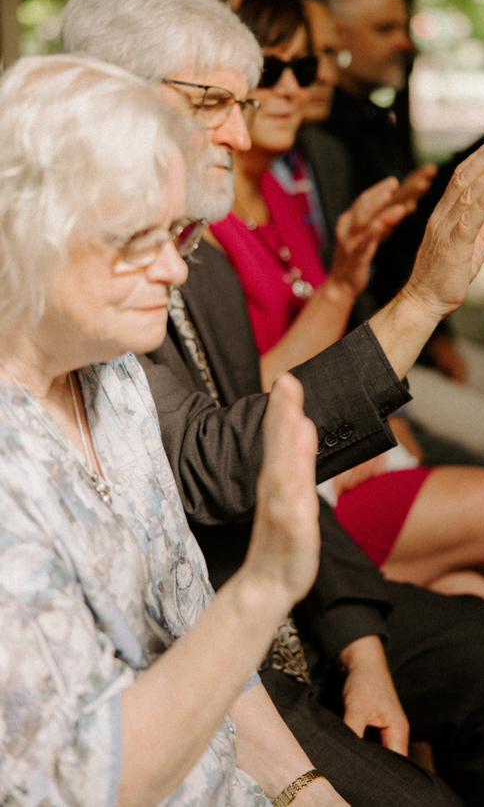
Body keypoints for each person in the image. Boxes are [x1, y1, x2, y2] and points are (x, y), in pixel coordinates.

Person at [60, 0, 484, 807]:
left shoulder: (201, 258)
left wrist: (358, 636)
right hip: (208, 653)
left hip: (283, 608)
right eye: (214, 104)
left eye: (253, 98)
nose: (241, 134)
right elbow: (215, 458)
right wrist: (417, 302)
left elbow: (272, 462)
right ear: (109, 101)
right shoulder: (82, 276)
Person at [207, 0, 484, 760]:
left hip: (330, 448)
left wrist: (352, 283)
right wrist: (359, 289)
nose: (299, 88)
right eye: (274, 70)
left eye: (312, 69)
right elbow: (247, 405)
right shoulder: (208, 220)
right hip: (294, 484)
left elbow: (325, 340)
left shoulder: (283, 184)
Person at [0, 52, 358, 807]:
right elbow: (87, 784)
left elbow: (192, 625)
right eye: (138, 240)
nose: (176, 270)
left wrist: (305, 790)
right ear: (25, 228)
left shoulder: (114, 374)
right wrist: (263, 587)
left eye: (178, 232)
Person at [318, 0, 484, 475]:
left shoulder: (371, 118)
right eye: (386, 29)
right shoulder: (321, 135)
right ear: (335, 34)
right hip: (366, 339)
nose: (405, 42)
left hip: (405, 326)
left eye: (404, 27)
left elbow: (412, 221)